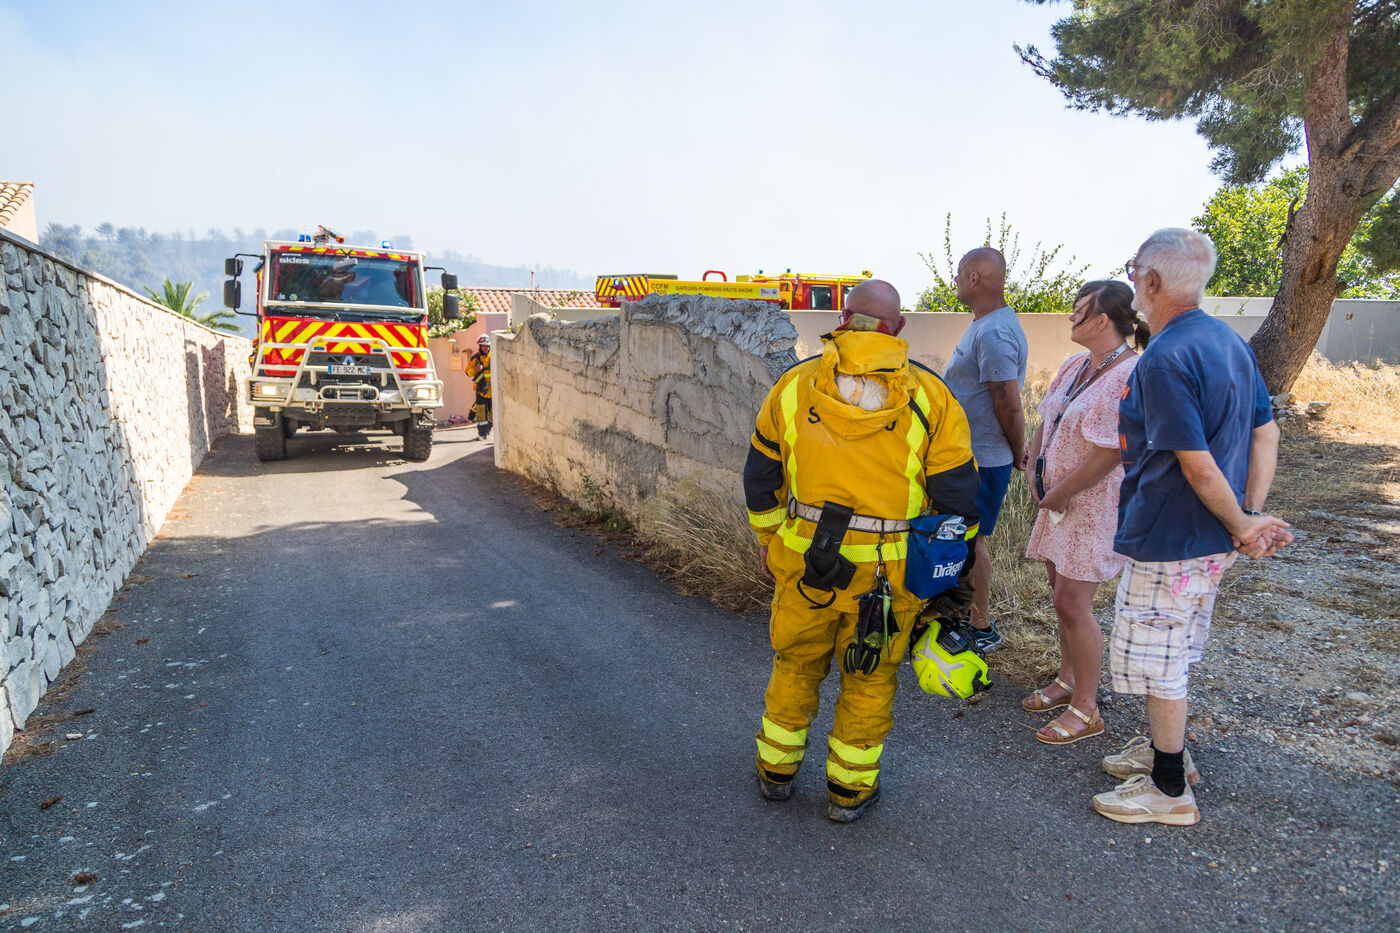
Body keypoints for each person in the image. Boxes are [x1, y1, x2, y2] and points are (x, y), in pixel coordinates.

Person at [744, 279, 979, 823]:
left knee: (795, 666)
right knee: (869, 677)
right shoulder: (931, 396)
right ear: (898, 328)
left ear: (844, 319)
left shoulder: (794, 385)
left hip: (804, 559)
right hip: (887, 574)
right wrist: (950, 575)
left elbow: (760, 478)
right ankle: (849, 792)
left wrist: (770, 542)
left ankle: (776, 772)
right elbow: (957, 500)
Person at [1092, 229, 1292, 826]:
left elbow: (1197, 465)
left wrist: (1244, 524)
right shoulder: (1229, 341)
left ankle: (1170, 788)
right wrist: (1246, 517)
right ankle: (1166, 751)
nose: (1132, 282)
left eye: (1135, 272)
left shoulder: (1165, 355)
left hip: (1171, 535)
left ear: (1152, 281)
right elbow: (1266, 432)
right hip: (1208, 538)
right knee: (1174, 649)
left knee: (1159, 659)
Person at [1021, 280, 1147, 745]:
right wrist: (1034, 464)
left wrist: (1060, 492)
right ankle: (1067, 679)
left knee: (1074, 602)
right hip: (1058, 501)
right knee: (1061, 597)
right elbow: (1048, 418)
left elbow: (1112, 451)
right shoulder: (1075, 365)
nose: (1071, 318)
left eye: (1078, 311)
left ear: (1101, 320)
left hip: (1092, 504)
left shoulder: (1130, 372)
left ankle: (1086, 708)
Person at [942, 247, 1029, 652]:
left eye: (960, 273)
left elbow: (1007, 403)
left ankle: (981, 627)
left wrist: (1019, 451)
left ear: (974, 278)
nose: (956, 281)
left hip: (983, 460)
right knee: (961, 540)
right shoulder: (983, 324)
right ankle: (960, 616)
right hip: (967, 458)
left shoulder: (994, 332)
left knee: (973, 542)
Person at [466, 334, 493, 439]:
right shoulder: (475, 358)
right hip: (480, 390)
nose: (486, 348)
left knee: (493, 413)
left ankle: (488, 429)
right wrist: (475, 370)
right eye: (484, 346)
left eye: (487, 346)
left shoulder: (493, 356)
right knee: (481, 413)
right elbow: (467, 372)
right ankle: (482, 433)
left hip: (492, 390)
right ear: (480, 346)